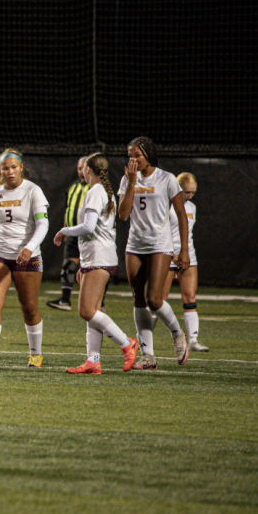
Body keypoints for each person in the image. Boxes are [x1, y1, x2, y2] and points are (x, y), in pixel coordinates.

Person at [55, 153, 139, 374]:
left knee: (86, 310)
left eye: (84, 168)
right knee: (94, 310)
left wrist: (64, 231)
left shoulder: (95, 192)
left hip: (98, 258)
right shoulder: (104, 191)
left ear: (88, 171)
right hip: (98, 256)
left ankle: (126, 343)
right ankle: (93, 360)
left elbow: (89, 227)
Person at [118, 137, 190, 369]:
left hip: (160, 244)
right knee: (139, 298)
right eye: (130, 155)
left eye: (137, 155)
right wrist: (131, 183)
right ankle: (148, 356)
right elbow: (123, 215)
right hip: (135, 245)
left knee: (154, 299)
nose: (133, 159)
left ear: (149, 154)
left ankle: (177, 334)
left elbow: (181, 215)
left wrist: (184, 250)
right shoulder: (127, 179)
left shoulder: (166, 178)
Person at [0, 149, 49, 369]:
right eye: (5, 168)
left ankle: (36, 355)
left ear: (21, 167)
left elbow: (43, 224)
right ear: (1, 170)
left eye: (14, 167)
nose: (10, 171)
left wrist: (29, 247)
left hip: (26, 256)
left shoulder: (33, 191)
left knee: (29, 308)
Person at [161, 172, 208, 352]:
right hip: (167, 255)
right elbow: (161, 232)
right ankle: (148, 340)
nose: (189, 196)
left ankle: (194, 340)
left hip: (188, 257)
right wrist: (172, 254)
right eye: (186, 192)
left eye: (192, 192)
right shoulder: (167, 206)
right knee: (159, 300)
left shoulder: (192, 207)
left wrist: (184, 254)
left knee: (189, 297)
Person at [46, 156, 88, 312]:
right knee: (68, 266)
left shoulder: (97, 188)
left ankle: (100, 302)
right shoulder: (73, 187)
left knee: (93, 268)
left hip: (89, 236)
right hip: (72, 233)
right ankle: (65, 300)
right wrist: (64, 229)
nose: (81, 171)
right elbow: (68, 210)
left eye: (84, 167)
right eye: (79, 168)